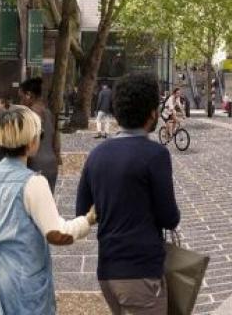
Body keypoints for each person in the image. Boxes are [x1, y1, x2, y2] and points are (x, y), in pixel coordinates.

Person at [0, 106, 96, 314]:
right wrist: (88, 220)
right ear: (32, 142)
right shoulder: (33, 183)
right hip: (20, 284)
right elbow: (57, 234)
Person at [76, 73, 180, 315]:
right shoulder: (155, 155)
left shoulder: (97, 155)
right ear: (152, 113)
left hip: (107, 271)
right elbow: (169, 217)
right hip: (141, 272)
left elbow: (82, 211)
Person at [21, 77, 60, 193]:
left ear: (29, 95)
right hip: (51, 163)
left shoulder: (28, 116)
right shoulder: (49, 114)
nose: (21, 101)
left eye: (21, 97)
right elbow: (56, 139)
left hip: (34, 164)